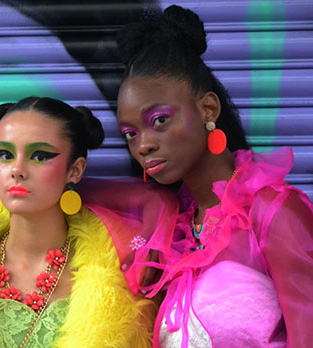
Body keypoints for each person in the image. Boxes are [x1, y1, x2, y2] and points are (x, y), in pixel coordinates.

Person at [114, 5, 313, 348]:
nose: (143, 145)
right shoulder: (174, 230)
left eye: (159, 120)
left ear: (208, 109)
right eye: (130, 133)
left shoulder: (272, 212)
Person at [0, 96, 162, 348]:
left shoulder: (124, 275)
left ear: (75, 170)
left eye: (39, 156)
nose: (16, 169)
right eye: (5, 154)